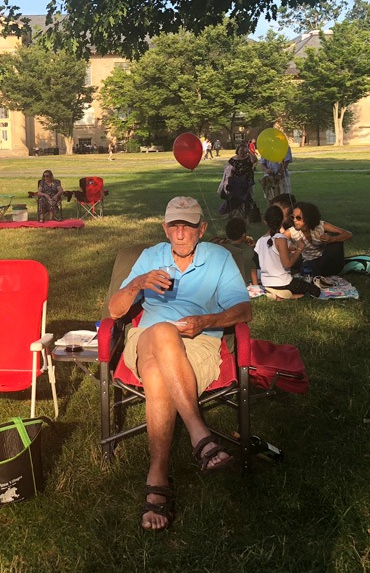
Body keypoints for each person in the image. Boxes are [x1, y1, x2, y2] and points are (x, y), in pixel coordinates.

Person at [108, 197, 252, 531]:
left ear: (201, 228)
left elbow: (244, 311)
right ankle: (199, 435)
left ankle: (157, 476)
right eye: (174, 225)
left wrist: (207, 320)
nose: (181, 233)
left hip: (197, 344)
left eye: (188, 225)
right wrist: (138, 283)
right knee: (159, 331)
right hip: (143, 340)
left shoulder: (219, 259)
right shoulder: (150, 257)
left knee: (159, 371)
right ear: (164, 228)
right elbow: (115, 311)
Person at [255, 206, 319, 298]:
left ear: (265, 221)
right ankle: (287, 296)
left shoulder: (260, 240)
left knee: (300, 284)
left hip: (266, 282)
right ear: (282, 221)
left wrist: (293, 247)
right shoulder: (280, 239)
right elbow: (287, 264)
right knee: (315, 291)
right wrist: (299, 249)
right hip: (282, 282)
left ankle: (278, 294)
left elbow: (275, 251)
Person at [287, 201, 353, 277]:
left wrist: (331, 239)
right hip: (311, 263)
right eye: (292, 217)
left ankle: (314, 271)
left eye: (298, 217)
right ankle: (315, 271)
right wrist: (290, 246)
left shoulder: (320, 226)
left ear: (308, 217)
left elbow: (348, 234)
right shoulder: (292, 231)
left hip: (328, 260)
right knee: (306, 267)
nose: (294, 220)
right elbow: (277, 240)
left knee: (337, 242)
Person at [217, 143, 258, 221]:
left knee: (248, 197)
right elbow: (228, 171)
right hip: (235, 182)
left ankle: (247, 213)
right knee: (233, 197)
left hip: (247, 181)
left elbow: (254, 160)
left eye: (244, 150)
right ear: (237, 151)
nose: (242, 152)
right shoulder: (233, 159)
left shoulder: (249, 158)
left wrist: (249, 152)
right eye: (240, 150)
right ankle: (232, 212)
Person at [220, 217, 258, 285]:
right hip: (245, 283)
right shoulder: (248, 251)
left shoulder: (223, 248)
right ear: (244, 234)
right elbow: (253, 270)